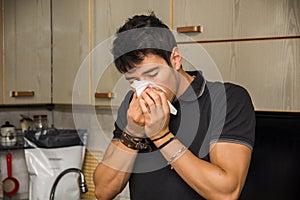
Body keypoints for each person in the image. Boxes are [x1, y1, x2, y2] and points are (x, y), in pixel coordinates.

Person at [93, 12, 255, 200]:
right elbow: (103, 191)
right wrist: (132, 131)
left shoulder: (228, 99)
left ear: (175, 59)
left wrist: (161, 135)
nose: (145, 88)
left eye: (152, 74)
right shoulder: (134, 105)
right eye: (133, 80)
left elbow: (226, 193)